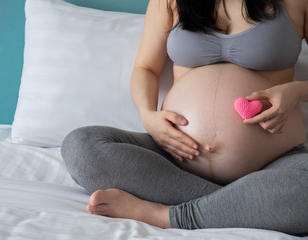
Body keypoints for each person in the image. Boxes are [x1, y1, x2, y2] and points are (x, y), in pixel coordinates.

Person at [61, 0, 308, 235]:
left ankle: (167, 215)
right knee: (80, 147)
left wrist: (295, 91)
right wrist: (148, 116)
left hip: (274, 161)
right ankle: (243, 204)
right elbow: (145, 68)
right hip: (173, 157)